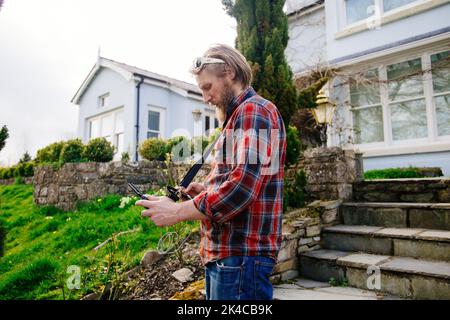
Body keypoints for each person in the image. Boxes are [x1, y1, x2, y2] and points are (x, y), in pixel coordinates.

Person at [136, 44, 286, 300]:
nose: (205, 98)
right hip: (230, 257)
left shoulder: (253, 111)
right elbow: (244, 181)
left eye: (207, 87)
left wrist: (177, 212)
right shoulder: (238, 116)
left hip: (240, 257)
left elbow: (242, 188)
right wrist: (205, 192)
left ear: (229, 72)